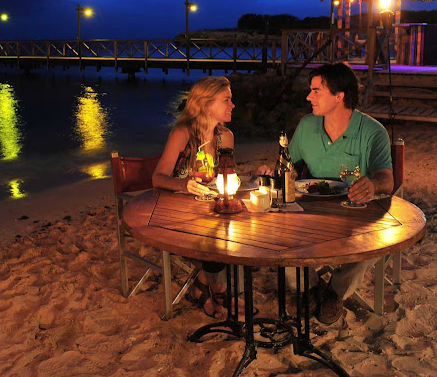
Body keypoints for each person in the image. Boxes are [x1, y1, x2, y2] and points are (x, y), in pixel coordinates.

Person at [260, 62, 394, 324]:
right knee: (279, 234)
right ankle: (309, 289)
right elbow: (289, 165)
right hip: (311, 210)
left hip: (354, 213)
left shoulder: (372, 131)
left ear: (339, 95)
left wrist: (373, 185)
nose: (309, 97)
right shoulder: (308, 125)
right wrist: (273, 171)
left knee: (378, 242)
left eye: (316, 90)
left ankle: (334, 291)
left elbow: (387, 180)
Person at [152, 76, 236, 319]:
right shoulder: (183, 134)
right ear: (206, 104)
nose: (233, 105)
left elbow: (229, 176)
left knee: (238, 227)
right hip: (178, 214)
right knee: (216, 235)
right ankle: (217, 289)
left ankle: (203, 285)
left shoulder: (226, 137)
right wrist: (184, 185)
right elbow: (157, 178)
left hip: (209, 210)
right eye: (227, 100)